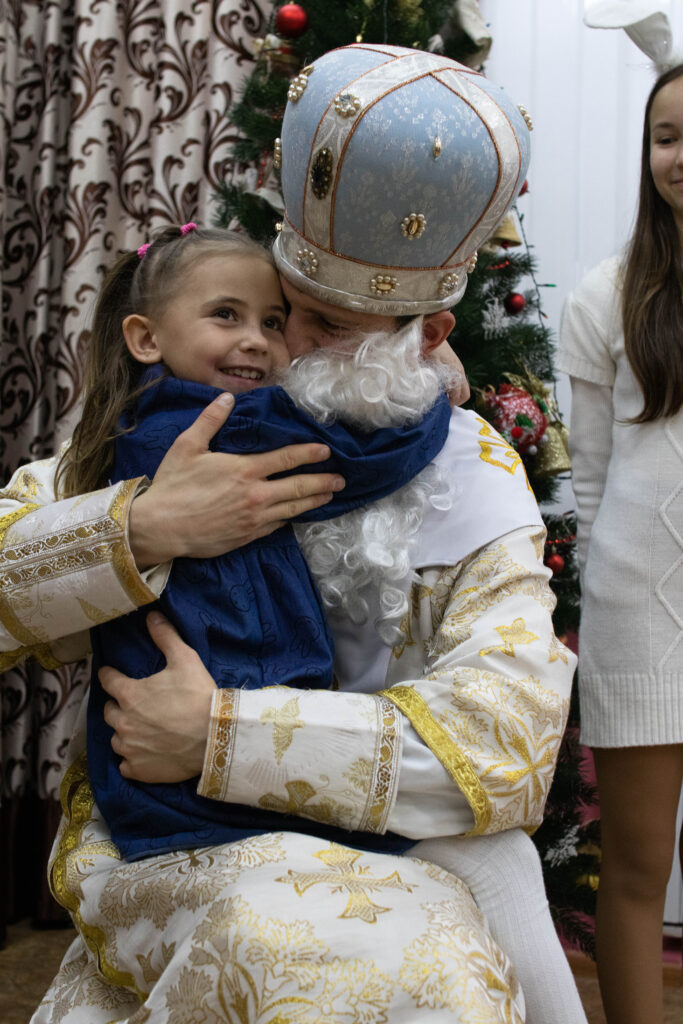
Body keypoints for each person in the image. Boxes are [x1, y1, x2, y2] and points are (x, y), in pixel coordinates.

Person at [1, 44, 583, 1023]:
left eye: (327, 327)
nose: (282, 351)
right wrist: (139, 526)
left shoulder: (475, 472)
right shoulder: (190, 415)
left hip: (374, 829)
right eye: (281, 312)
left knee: (461, 918)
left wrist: (221, 735)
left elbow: (506, 745)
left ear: (426, 338)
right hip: (159, 842)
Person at [74, 221, 452, 861]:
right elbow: (365, 454)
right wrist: (424, 380)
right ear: (144, 338)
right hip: (195, 787)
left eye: (273, 322)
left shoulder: (155, 416)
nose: (257, 341)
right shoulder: (221, 424)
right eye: (226, 315)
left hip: (190, 768)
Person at [558, 63, 683, 1024]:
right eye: (665, 137)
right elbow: (593, 483)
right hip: (640, 615)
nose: (677, 157)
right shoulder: (607, 294)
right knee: (636, 870)